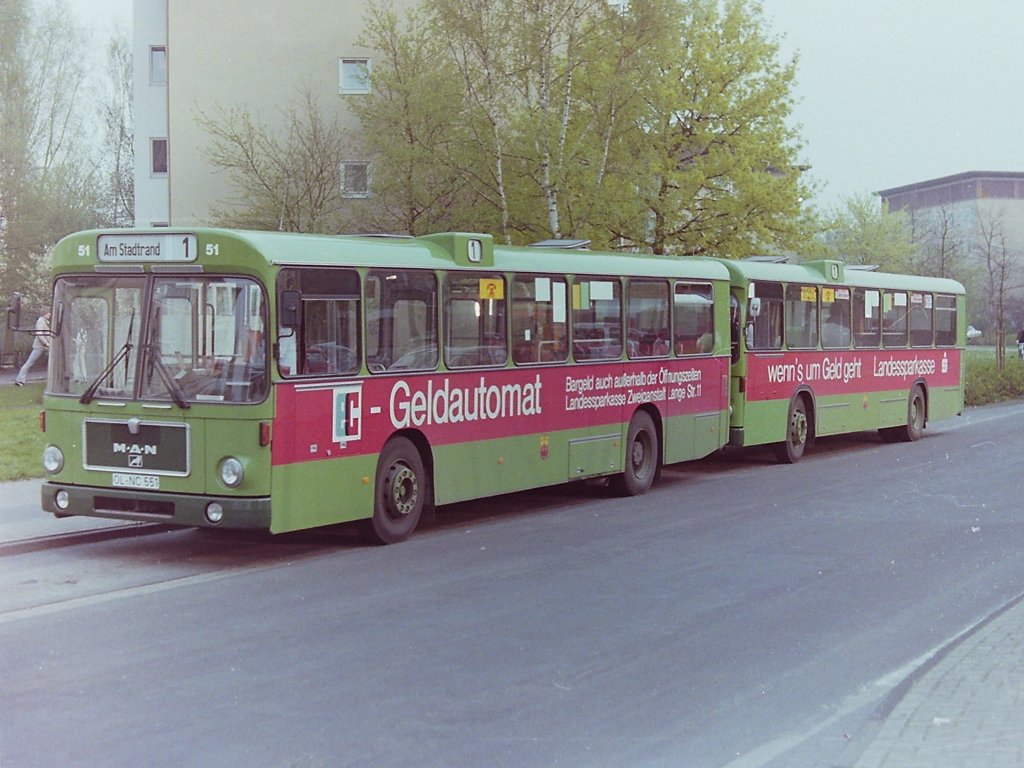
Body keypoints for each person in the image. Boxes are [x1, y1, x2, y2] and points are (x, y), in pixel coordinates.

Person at [15, 311, 51, 386]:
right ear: (44, 313)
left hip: (47, 347)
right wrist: (46, 343)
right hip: (40, 346)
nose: (49, 315)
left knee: (54, 361)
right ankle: (19, 380)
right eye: (48, 313)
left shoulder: (45, 321)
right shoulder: (41, 321)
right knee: (30, 362)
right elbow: (39, 333)